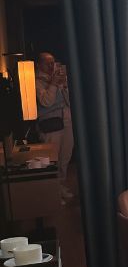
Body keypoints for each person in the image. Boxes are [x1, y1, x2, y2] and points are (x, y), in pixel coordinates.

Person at [36, 51, 74, 203]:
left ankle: (60, 185)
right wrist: (52, 84)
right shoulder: (37, 81)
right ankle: (53, 192)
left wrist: (64, 85)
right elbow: (46, 102)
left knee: (65, 157)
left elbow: (69, 101)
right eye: (48, 63)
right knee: (53, 160)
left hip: (67, 122)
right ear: (39, 65)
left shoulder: (58, 78)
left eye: (53, 62)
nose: (52, 66)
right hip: (51, 125)